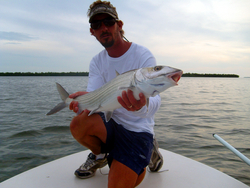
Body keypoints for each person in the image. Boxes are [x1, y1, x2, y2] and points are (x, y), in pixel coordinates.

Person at [69, 1, 163, 187]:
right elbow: (96, 97)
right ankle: (101, 155)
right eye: (96, 25)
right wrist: (84, 99)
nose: (103, 28)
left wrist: (142, 104)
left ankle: (148, 149)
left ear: (119, 25)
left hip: (137, 130)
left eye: (108, 22)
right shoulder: (97, 62)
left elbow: (156, 99)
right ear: (92, 31)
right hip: (111, 124)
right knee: (78, 123)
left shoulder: (142, 55)